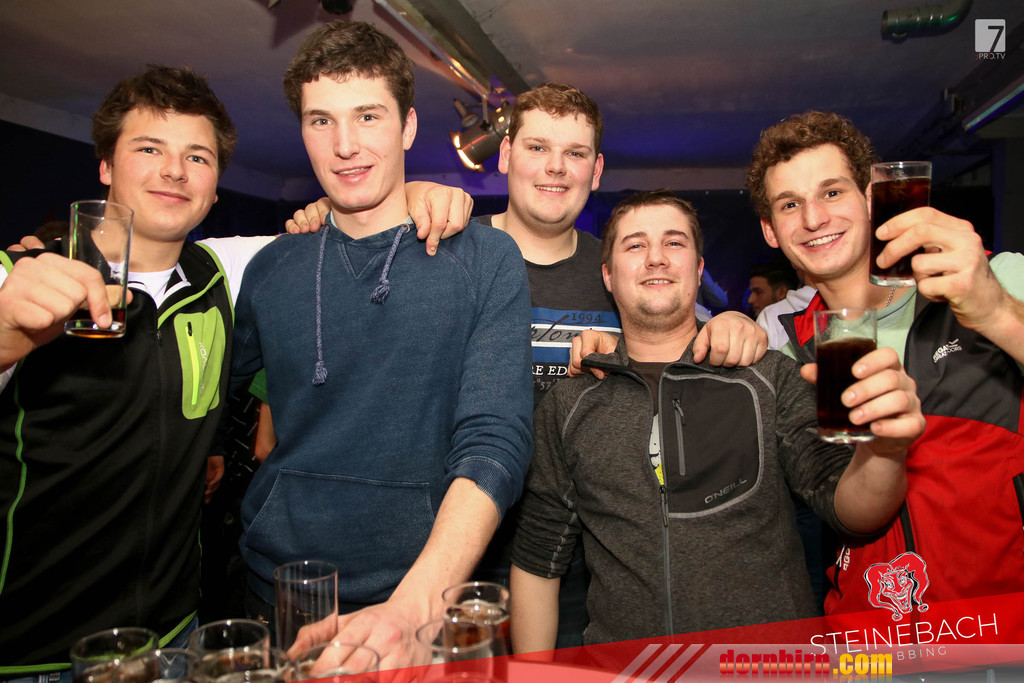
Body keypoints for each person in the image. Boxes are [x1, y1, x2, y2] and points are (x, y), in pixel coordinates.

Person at [286, 82, 770, 648]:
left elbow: (683, 339)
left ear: (596, 170)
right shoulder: (440, 247)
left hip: (582, 563)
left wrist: (733, 324)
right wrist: (338, 209)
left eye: (575, 153)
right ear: (507, 155)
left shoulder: (621, 272)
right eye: (538, 147)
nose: (555, 167)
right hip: (439, 557)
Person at [230, 20, 533, 669]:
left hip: (426, 598)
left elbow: (495, 443)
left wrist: (412, 606)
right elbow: (193, 406)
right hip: (281, 592)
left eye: (368, 116)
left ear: (408, 126)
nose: (345, 145)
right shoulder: (271, 268)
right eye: (321, 121)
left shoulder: (484, 259)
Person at [510, 190, 924, 649]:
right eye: (635, 245)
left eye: (674, 243)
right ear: (608, 275)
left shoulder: (769, 376)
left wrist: (885, 450)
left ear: (698, 268)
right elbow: (537, 561)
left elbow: (855, 513)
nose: (656, 258)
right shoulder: (571, 402)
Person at [0, 64, 265, 677]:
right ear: (105, 166)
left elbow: (349, 221)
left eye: (197, 157)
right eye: (149, 149)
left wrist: (416, 193)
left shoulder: (221, 274)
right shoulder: (22, 276)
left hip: (172, 636)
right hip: (35, 656)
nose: (174, 170)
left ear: (215, 187)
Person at [745, 110, 1024, 615]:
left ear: (871, 199)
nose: (813, 219)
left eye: (832, 192)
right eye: (790, 204)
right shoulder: (785, 351)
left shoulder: (992, 279)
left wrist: (996, 312)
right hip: (868, 638)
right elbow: (840, 509)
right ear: (770, 230)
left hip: (1003, 632)